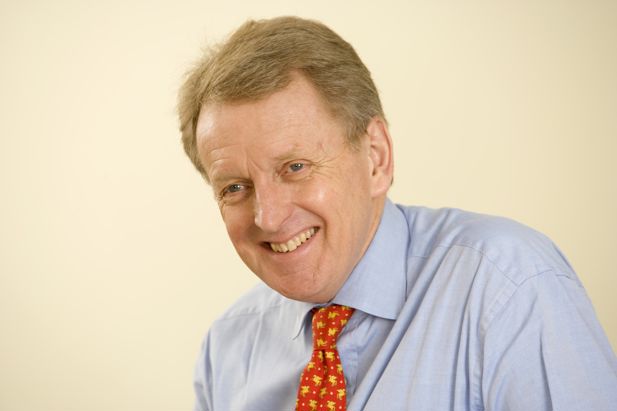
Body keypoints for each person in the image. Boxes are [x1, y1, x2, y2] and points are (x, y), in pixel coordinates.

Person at [177, 16, 617, 411]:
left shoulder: (509, 286)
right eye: (235, 188)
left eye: (295, 168)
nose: (268, 217)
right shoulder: (227, 348)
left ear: (376, 157)